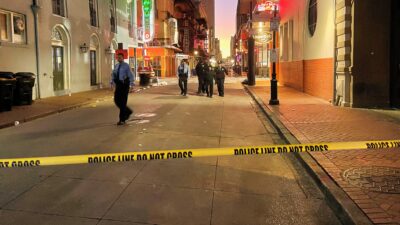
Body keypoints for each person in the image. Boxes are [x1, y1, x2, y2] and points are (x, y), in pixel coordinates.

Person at [111, 53, 135, 125]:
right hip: (118, 85)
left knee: (123, 102)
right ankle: (128, 111)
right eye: (118, 57)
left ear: (123, 58)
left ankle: (122, 119)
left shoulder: (126, 66)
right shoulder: (116, 66)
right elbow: (113, 75)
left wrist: (131, 85)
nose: (119, 58)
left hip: (124, 85)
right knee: (116, 100)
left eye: (120, 57)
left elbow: (131, 75)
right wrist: (112, 83)